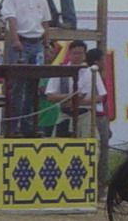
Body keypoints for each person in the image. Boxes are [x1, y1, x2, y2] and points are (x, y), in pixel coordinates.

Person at [1, 0, 51, 136]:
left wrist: (46, 43)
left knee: (33, 86)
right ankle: (13, 128)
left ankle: (29, 126)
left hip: (36, 42)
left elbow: (45, 21)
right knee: (16, 87)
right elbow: (10, 19)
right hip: (20, 41)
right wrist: (15, 40)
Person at [45, 40, 89, 136]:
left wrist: (77, 102)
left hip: (85, 115)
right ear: (69, 54)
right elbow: (50, 96)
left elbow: (99, 97)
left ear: (85, 55)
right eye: (75, 53)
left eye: (80, 53)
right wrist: (70, 96)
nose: (77, 56)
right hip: (64, 115)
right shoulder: (60, 71)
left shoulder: (91, 72)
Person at [84, 48, 110, 200]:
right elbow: (101, 98)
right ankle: (99, 188)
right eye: (102, 60)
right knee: (101, 154)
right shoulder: (92, 75)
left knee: (102, 153)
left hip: (101, 115)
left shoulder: (97, 76)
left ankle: (100, 188)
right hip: (95, 115)